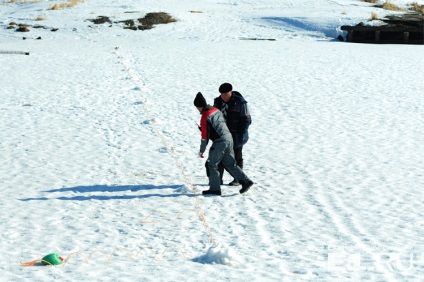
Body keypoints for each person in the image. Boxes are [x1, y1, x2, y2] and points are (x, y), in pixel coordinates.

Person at [194, 92, 253, 195]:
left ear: (199, 106)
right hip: (229, 138)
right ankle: (246, 181)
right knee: (230, 164)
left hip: (220, 142)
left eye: (197, 107)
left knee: (212, 164)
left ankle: (215, 189)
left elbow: (204, 137)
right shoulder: (215, 110)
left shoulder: (205, 116)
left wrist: (201, 150)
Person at [207, 83, 252, 186]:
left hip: (237, 135)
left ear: (231, 92)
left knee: (236, 157)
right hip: (222, 134)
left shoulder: (241, 103)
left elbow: (246, 120)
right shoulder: (217, 101)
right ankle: (218, 179)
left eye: (226, 94)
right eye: (222, 94)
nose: (223, 96)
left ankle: (238, 179)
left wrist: (239, 134)